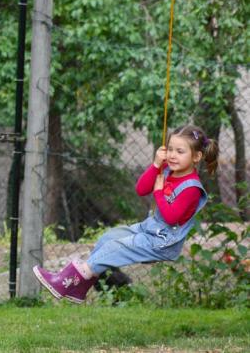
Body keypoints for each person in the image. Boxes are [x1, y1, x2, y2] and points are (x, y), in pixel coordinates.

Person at [33, 125, 219, 304]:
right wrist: (155, 165)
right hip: (149, 230)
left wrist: (159, 192)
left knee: (114, 248)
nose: (172, 155)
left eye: (180, 151)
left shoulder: (191, 188)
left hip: (162, 242)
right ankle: (80, 287)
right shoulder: (168, 170)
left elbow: (171, 218)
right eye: (170, 149)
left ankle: (64, 282)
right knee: (107, 238)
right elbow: (140, 189)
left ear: (196, 157)